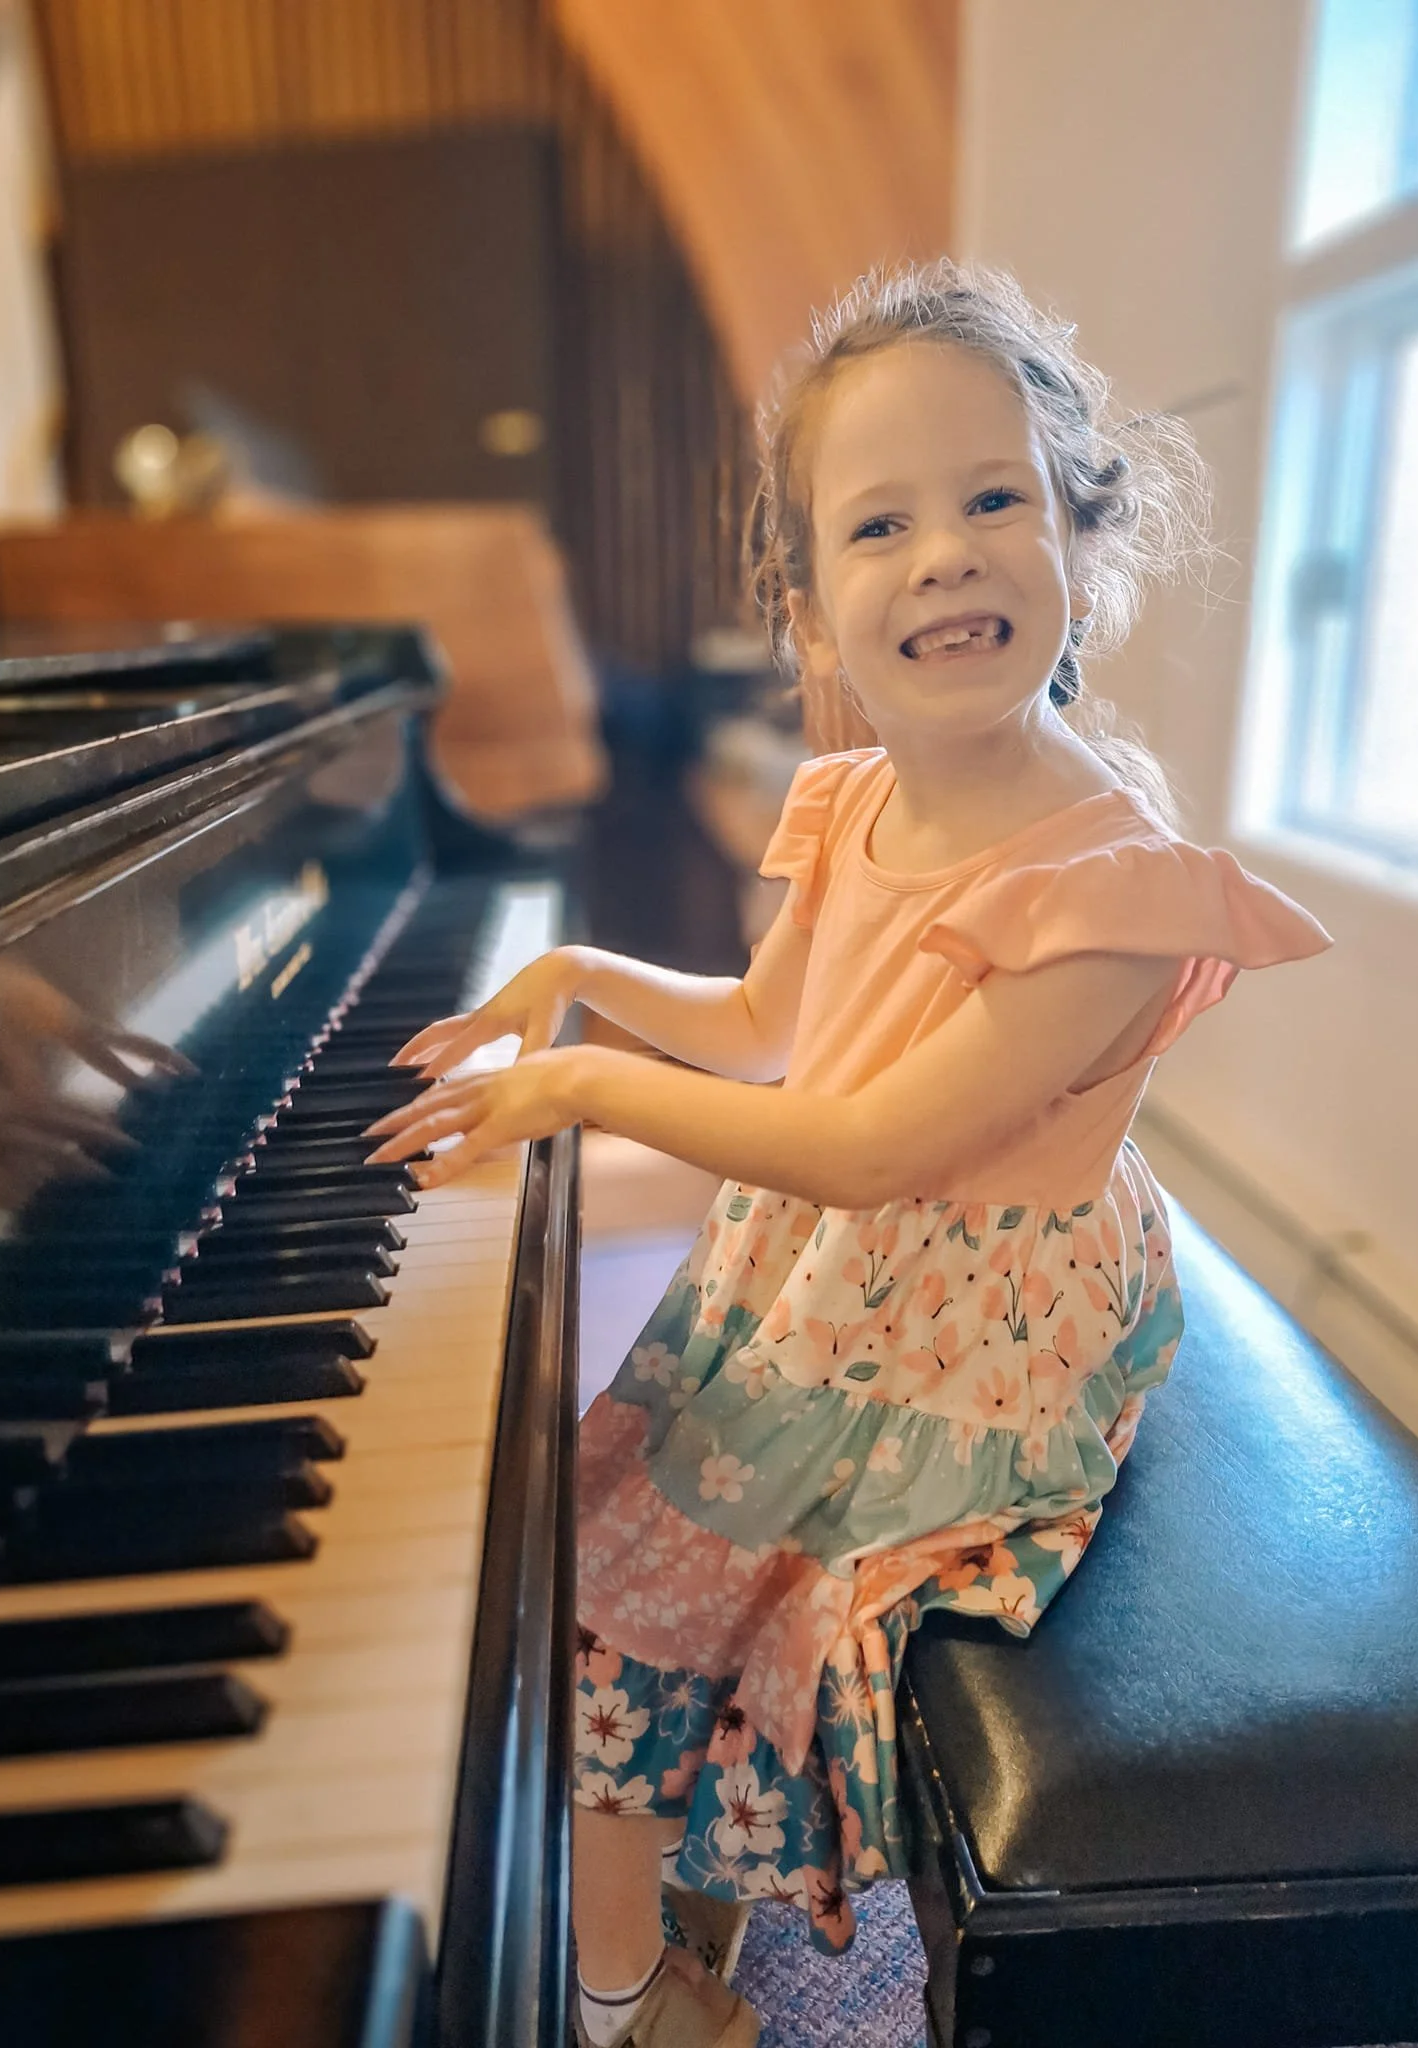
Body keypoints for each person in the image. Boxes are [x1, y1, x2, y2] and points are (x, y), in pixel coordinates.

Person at [365, 260, 1332, 2048]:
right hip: (832, 1271)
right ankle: (669, 1914)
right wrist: (577, 980)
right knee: (618, 1561)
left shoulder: (1105, 888)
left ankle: (618, 1998)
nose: (946, 553)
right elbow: (767, 1034)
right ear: (811, 606)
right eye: (879, 524)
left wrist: (580, 1094)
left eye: (993, 500)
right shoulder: (857, 796)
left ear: (1075, 543)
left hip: (967, 1333)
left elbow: (869, 1150)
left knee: (589, 1631)